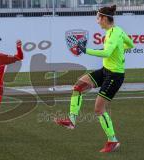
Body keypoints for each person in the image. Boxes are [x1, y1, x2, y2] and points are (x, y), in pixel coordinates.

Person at [56, 5, 134, 153]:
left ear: (105, 18)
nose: (97, 20)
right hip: (106, 71)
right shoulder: (117, 31)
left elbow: (106, 53)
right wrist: (121, 49)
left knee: (98, 109)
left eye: (98, 18)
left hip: (115, 76)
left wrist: (85, 50)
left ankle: (113, 140)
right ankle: (71, 121)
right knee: (78, 86)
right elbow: (131, 44)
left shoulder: (113, 34)